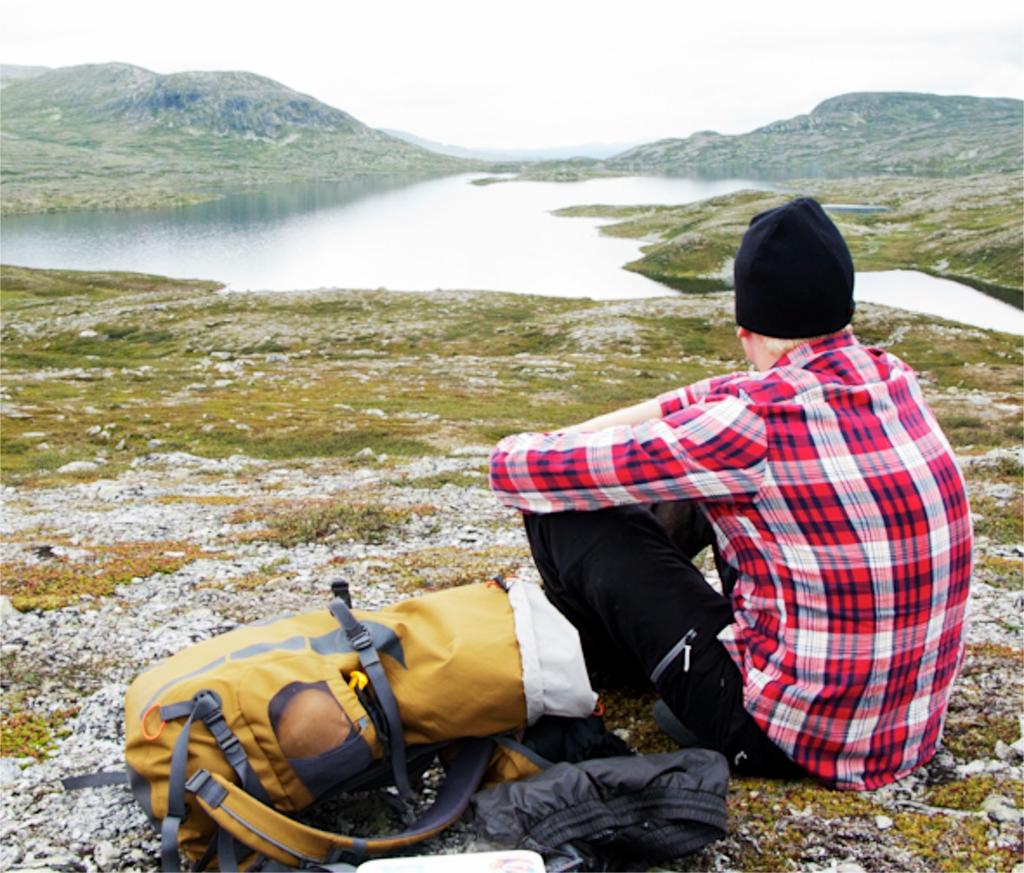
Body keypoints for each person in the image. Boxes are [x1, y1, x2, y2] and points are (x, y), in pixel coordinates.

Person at [488, 198, 972, 790]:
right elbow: (726, 390)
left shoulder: (747, 429)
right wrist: (607, 430)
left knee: (565, 514)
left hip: (786, 741)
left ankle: (617, 666)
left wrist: (561, 440)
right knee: (707, 487)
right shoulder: (889, 374)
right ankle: (648, 655)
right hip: (906, 731)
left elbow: (515, 470)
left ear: (745, 329)